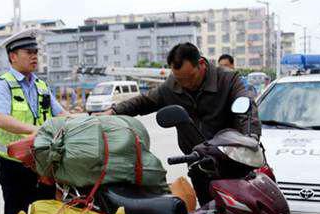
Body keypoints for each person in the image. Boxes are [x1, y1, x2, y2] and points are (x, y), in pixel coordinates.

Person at [99, 43, 260, 204]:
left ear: (201, 64)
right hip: (198, 163)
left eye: (189, 78)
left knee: (240, 213)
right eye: (179, 79)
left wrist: (249, 138)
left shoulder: (227, 79)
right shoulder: (172, 86)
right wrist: (113, 112)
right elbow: (144, 101)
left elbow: (246, 109)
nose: (184, 84)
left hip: (230, 161)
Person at [0, 28, 66, 214]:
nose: (35, 57)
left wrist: (86, 120)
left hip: (41, 162)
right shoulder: (3, 84)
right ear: (13, 56)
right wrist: (35, 130)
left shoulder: (41, 85)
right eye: (29, 53)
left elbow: (59, 113)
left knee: (42, 212)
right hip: (14, 164)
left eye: (36, 52)